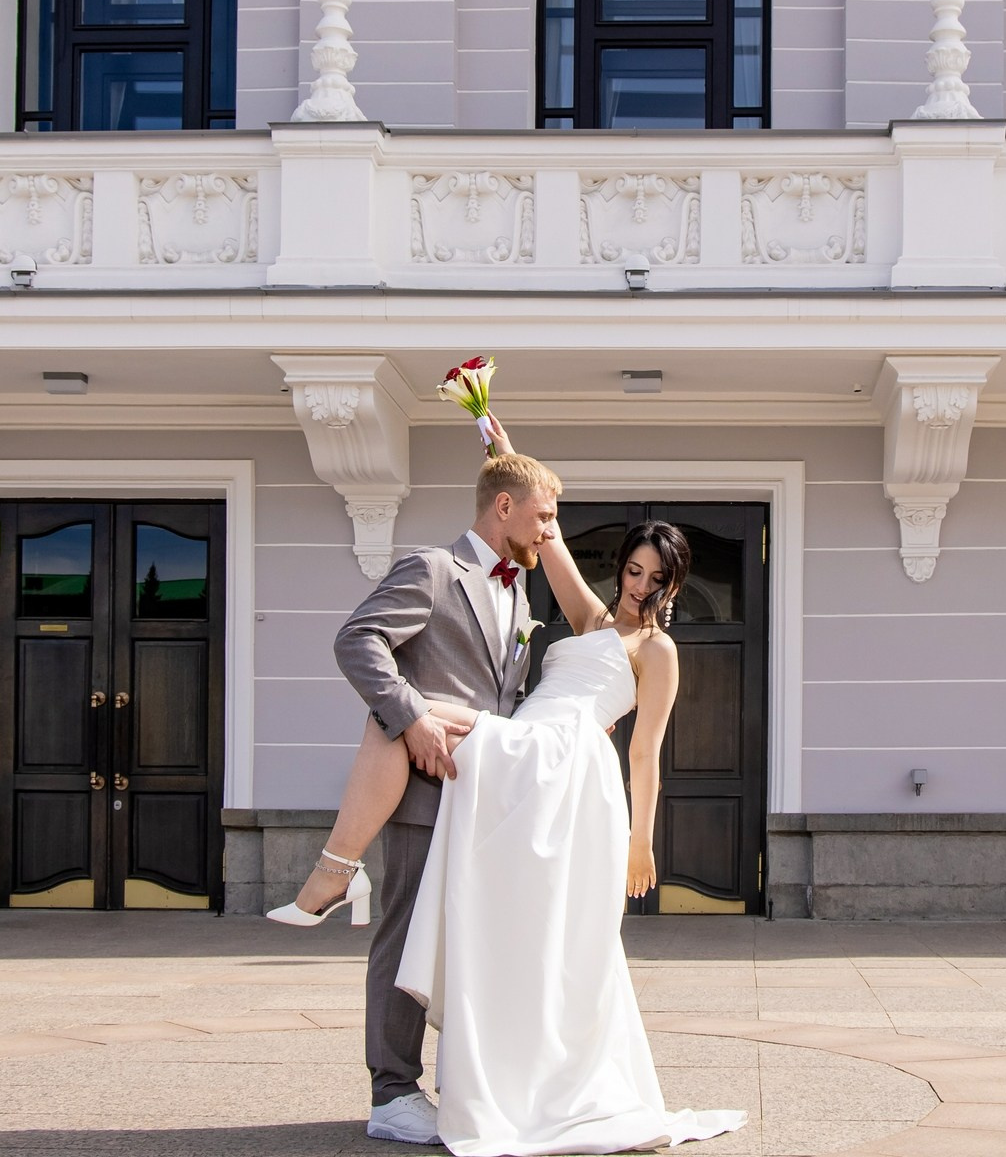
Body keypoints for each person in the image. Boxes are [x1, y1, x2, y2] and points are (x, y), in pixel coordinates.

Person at [287, 419, 745, 1154]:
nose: (640, 587)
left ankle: (334, 872)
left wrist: (640, 841)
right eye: (633, 571)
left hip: (559, 764)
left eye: (657, 579)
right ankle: (339, 876)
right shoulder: (588, 616)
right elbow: (542, 532)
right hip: (523, 754)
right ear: (622, 566)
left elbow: (647, 753)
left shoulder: (659, 651)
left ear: (673, 585)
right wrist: (497, 445)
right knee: (404, 719)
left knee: (404, 712)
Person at [297, 446, 559, 1145]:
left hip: (486, 802)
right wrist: (409, 717)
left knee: (465, 946)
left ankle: (464, 1083)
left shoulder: (518, 590)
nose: (549, 530)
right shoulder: (433, 569)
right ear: (504, 507)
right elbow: (358, 640)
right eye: (544, 514)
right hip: (422, 795)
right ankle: (391, 1093)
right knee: (406, 934)